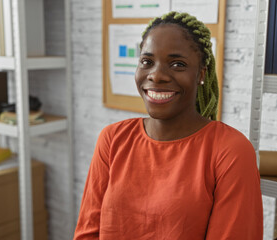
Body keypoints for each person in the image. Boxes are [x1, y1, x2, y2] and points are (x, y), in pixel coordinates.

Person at [74, 11, 263, 240]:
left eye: (177, 64)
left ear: (201, 74)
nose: (156, 75)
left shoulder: (230, 150)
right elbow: (88, 233)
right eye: (147, 62)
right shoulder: (113, 139)